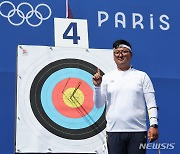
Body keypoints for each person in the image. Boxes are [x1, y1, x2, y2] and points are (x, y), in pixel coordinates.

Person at [93, 39, 159, 154]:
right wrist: (97, 87)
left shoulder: (142, 76)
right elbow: (98, 105)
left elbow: (151, 103)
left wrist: (154, 125)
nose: (120, 55)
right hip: (114, 131)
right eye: (117, 53)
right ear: (113, 57)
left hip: (138, 132)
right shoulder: (107, 78)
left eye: (124, 52)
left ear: (131, 55)